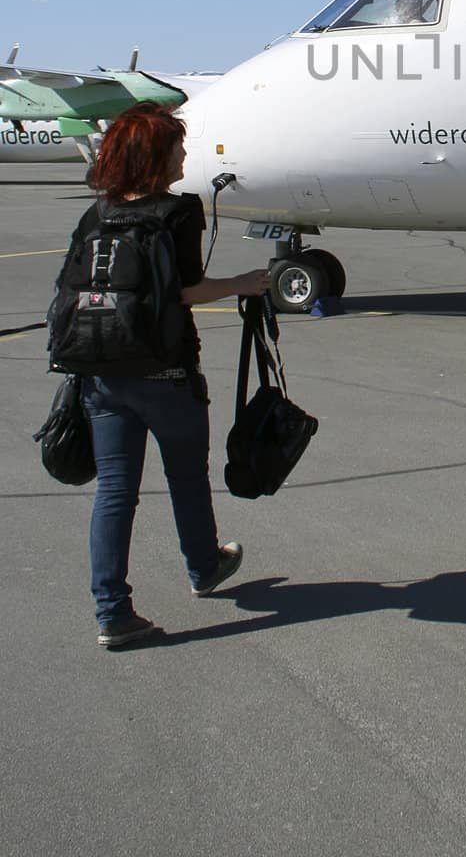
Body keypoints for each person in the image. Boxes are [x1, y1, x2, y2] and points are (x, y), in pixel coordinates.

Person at [74, 102, 269, 648]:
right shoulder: (178, 212)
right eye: (178, 147)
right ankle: (203, 566)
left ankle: (111, 611)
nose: (185, 154)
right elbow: (185, 290)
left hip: (102, 375)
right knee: (186, 475)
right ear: (156, 156)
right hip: (166, 372)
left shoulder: (99, 212)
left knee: (115, 491)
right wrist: (242, 283)